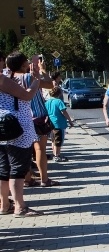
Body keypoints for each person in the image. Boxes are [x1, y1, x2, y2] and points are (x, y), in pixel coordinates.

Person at [6, 52, 57, 187]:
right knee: (40, 150)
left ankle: (28, 178)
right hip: (38, 116)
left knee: (25, 150)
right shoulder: (29, 77)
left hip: (17, 119)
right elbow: (51, 85)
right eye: (27, 61)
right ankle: (44, 179)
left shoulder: (7, 78)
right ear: (23, 64)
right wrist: (43, 70)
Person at [0, 70, 43, 216]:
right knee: (17, 169)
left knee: (3, 170)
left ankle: (4, 205)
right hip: (16, 129)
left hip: (2, 129)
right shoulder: (3, 79)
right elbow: (27, 95)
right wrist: (36, 80)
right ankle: (19, 207)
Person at [44, 86, 74, 162]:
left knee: (53, 140)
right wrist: (70, 120)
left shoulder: (47, 102)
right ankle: (57, 156)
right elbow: (63, 112)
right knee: (58, 140)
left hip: (50, 124)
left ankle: (55, 154)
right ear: (59, 93)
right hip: (59, 123)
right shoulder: (59, 101)